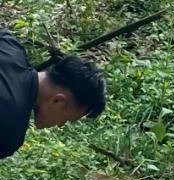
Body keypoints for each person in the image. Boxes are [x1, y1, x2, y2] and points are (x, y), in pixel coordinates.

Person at [0, 30, 105, 160]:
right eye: (66, 120)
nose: (60, 126)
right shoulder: (10, 132)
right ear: (58, 100)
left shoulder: (9, 44)